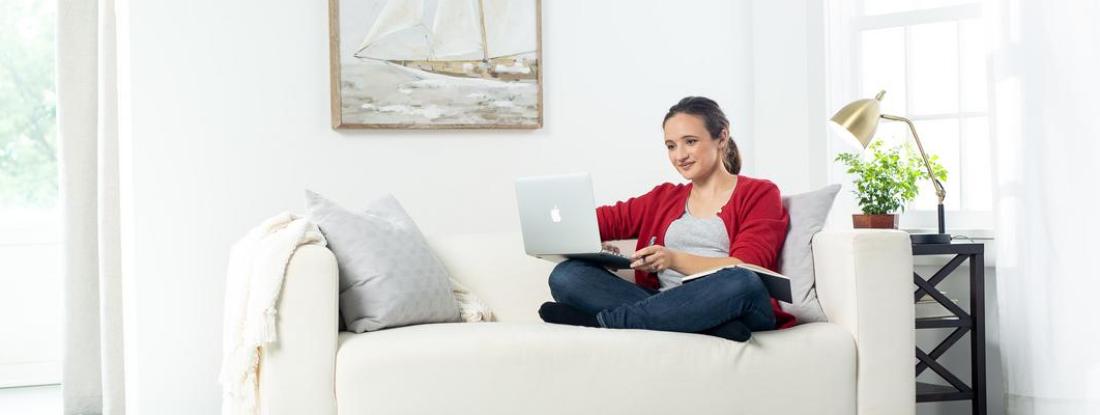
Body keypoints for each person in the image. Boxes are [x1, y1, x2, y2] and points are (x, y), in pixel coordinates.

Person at [538, 96, 796, 341]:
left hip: (736, 301)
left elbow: (748, 266)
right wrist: (594, 247)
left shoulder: (759, 192)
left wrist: (672, 259)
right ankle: (706, 327)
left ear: (722, 137)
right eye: (671, 146)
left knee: (742, 280)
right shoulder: (663, 197)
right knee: (567, 276)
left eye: (690, 141)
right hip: (662, 301)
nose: (679, 155)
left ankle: (604, 323)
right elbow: (596, 221)